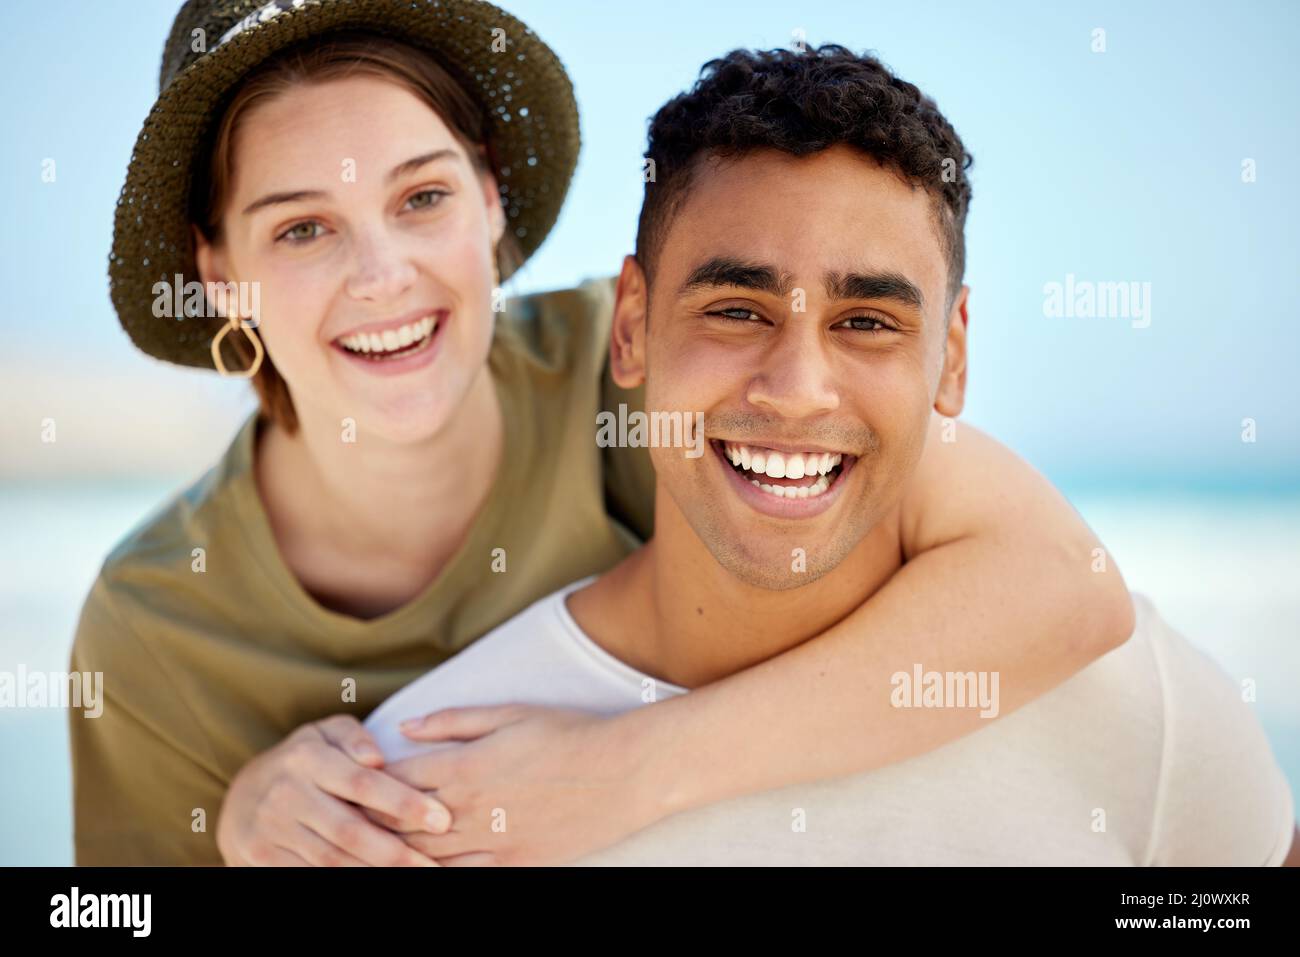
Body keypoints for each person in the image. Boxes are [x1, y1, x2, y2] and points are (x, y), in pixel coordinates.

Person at [72, 0, 1132, 867]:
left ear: (490, 199)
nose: (381, 275)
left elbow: (1062, 581)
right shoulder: (155, 627)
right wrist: (231, 824)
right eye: (302, 228)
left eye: (423, 197)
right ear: (219, 274)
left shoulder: (650, 359)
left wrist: (635, 768)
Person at [366, 44, 1298, 866]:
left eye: (867, 321)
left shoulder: (1147, 712)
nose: (799, 387)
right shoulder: (439, 778)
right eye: (737, 309)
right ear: (634, 327)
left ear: (954, 356)